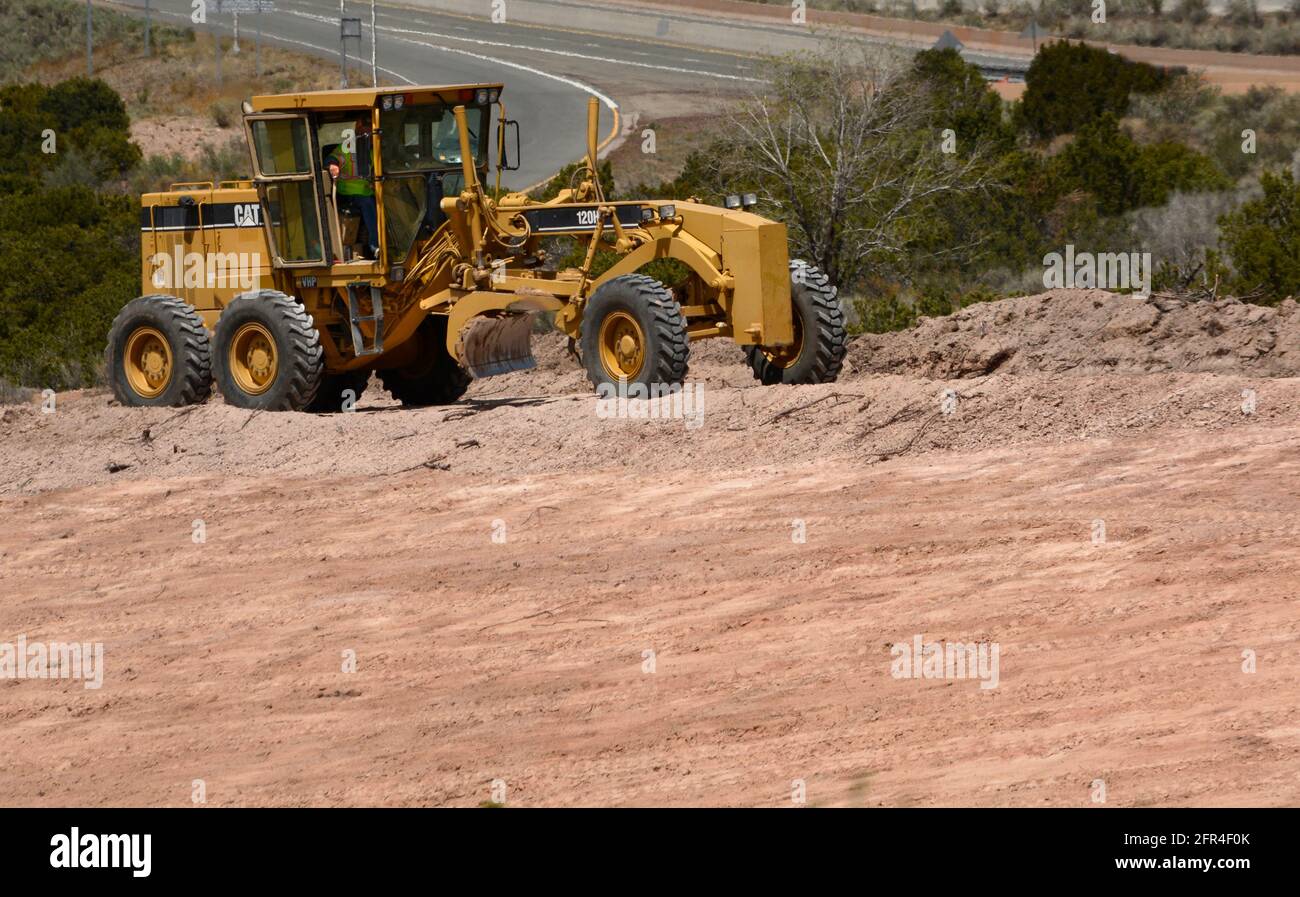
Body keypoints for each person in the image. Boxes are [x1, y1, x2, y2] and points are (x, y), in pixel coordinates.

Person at [325, 118, 379, 260]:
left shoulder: (374, 150)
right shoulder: (348, 147)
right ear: (359, 126)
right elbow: (333, 157)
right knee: (367, 204)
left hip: (368, 192)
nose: (371, 131)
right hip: (347, 194)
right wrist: (333, 165)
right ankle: (375, 246)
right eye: (369, 126)